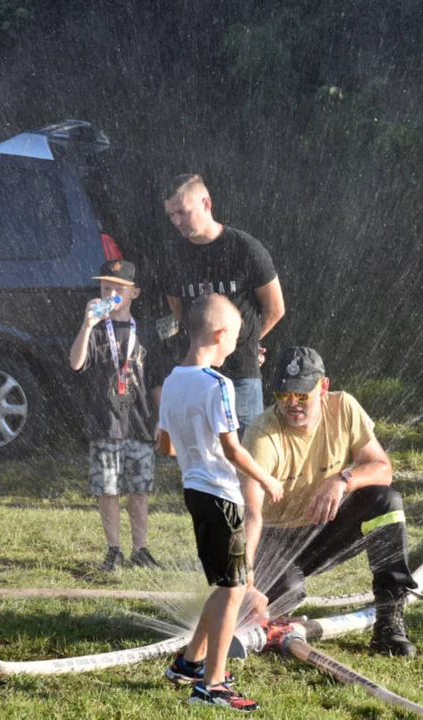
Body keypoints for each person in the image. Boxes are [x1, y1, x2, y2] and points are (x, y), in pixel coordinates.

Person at [241, 346, 420, 656]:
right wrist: (247, 581)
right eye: (283, 395)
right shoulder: (262, 435)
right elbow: (250, 512)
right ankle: (262, 605)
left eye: (301, 395)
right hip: (272, 540)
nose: (291, 404)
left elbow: (382, 468)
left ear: (322, 387)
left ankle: (389, 621)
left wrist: (342, 480)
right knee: (284, 596)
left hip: (323, 528)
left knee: (384, 501)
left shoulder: (344, 408)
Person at [157, 294, 284, 711]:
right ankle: (213, 686)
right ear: (220, 334)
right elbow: (232, 450)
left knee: (224, 585)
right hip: (222, 495)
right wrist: (266, 479)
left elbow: (165, 446)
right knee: (233, 589)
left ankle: (189, 664)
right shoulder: (218, 384)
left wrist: (193, 445)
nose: (236, 348)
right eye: (235, 339)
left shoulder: (173, 379)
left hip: (194, 492)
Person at [162, 174, 285, 436]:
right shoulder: (174, 256)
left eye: (182, 212)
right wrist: (201, 343)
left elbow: (275, 308)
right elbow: (177, 306)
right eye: (171, 215)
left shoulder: (245, 248)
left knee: (247, 451)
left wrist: (247, 341)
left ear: (206, 204)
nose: (176, 221)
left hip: (241, 372)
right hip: (197, 373)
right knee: (201, 450)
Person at [69, 260, 164, 571]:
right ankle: (113, 549)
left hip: (139, 422)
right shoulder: (96, 329)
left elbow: (155, 381)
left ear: (134, 292)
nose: (109, 292)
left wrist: (161, 420)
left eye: (117, 288)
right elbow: (76, 363)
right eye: (104, 287)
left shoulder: (146, 331)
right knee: (108, 488)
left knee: (139, 489)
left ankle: (140, 549)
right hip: (105, 422)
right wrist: (86, 325)